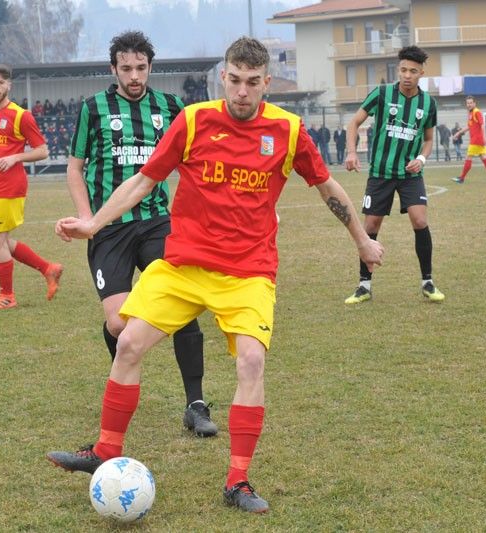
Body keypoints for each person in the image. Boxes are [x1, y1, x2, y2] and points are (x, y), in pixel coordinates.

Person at [46, 36, 384, 514]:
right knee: (128, 341)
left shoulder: (288, 130)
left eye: (253, 82)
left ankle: (237, 481)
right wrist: (94, 223)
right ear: (223, 77)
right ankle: (105, 449)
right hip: (184, 265)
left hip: (248, 272)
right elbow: (144, 181)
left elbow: (328, 187)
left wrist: (362, 241)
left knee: (251, 362)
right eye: (235, 80)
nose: (242, 91)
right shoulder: (193, 121)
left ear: (267, 82)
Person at [55, 30, 216, 436]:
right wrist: (87, 218)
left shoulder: (171, 107)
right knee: (118, 324)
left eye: (141, 68)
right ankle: (122, 380)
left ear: (150, 67)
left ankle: (196, 405)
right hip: (109, 229)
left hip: (157, 222)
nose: (134, 76)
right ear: (113, 69)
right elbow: (75, 167)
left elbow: (197, 162)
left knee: (183, 308)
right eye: (126, 68)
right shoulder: (93, 108)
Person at [344, 45, 442, 305]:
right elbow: (353, 123)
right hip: (380, 173)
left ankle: (428, 282)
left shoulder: (428, 103)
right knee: (371, 226)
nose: (407, 75)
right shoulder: (382, 94)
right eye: (403, 70)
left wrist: (421, 159)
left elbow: (429, 140)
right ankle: (364, 285)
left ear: (421, 73)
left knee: (420, 220)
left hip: (410, 175)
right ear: (398, 70)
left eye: (413, 71)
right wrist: (351, 152)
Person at [0, 63, 63, 310]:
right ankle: (48, 268)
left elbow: (42, 151)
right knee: (1, 241)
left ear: (9, 85)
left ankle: (7, 296)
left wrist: (15, 158)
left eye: (1, 82)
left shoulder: (21, 115)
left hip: (11, 186)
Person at [451, 95, 486, 183]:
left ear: (474, 103)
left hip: (476, 140)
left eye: (471, 103)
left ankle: (461, 178)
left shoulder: (476, 112)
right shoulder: (471, 113)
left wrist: (484, 137)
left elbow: (482, 125)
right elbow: (469, 126)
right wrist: (458, 133)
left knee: (468, 157)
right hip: (478, 140)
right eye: (468, 103)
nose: (469, 104)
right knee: (483, 157)